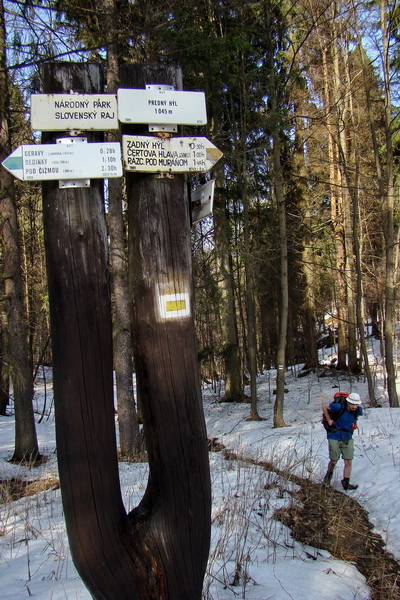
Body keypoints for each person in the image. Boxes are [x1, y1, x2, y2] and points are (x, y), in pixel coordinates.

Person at [322, 392, 363, 490]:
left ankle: (346, 482)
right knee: (333, 461)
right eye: (352, 404)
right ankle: (327, 479)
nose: (354, 406)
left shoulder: (359, 411)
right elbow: (324, 406)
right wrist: (329, 420)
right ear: (348, 402)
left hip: (347, 437)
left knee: (348, 461)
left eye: (356, 404)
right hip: (334, 435)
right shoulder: (338, 407)